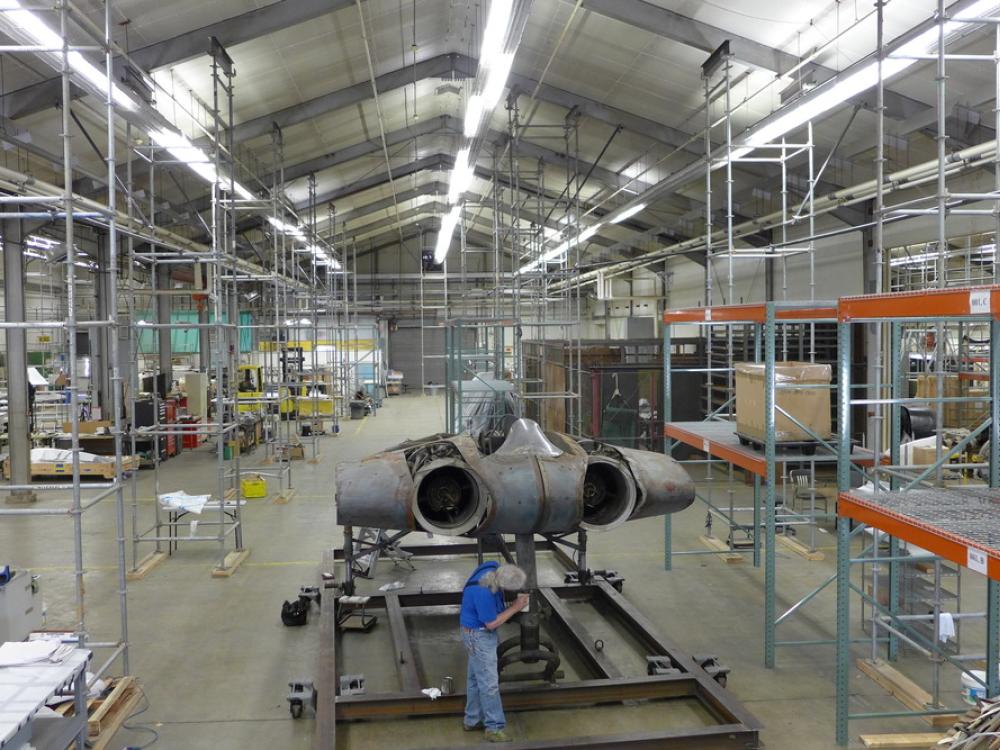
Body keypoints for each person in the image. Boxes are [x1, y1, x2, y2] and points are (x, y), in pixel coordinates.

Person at [459, 560, 529, 742]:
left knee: (475, 679)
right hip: (479, 637)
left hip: (471, 633)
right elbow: (490, 624)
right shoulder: (483, 593)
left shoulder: (492, 567)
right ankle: (494, 728)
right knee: (489, 684)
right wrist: (515, 607)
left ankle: (472, 720)